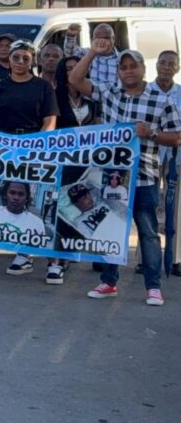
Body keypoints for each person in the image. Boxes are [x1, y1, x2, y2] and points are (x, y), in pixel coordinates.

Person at [70, 35, 181, 306]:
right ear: (118, 71)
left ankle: (153, 287)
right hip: (112, 177)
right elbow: (75, 80)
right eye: (124, 67)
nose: (129, 71)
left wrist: (152, 132)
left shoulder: (161, 100)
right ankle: (109, 281)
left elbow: (177, 136)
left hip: (145, 177)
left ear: (144, 69)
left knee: (148, 232)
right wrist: (93, 53)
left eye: (134, 66)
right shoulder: (109, 92)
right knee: (111, 229)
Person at [0, 40, 60, 281]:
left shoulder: (43, 87)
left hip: (37, 150)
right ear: (9, 60)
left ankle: (54, 262)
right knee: (21, 205)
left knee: (45, 208)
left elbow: (50, 121)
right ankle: (24, 254)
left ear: (33, 61)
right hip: (8, 152)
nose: (19, 62)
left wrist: (38, 146)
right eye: (15, 58)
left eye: (25, 59)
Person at [0, 181, 49, 254]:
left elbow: (39, 255)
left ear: (27, 198)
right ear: (5, 195)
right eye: (12, 193)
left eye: (21, 194)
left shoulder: (37, 223)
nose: (16, 197)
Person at [54, 56, 101, 128]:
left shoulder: (93, 94)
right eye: (69, 68)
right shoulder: (54, 97)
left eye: (77, 67)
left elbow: (99, 125)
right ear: (63, 73)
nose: (75, 71)